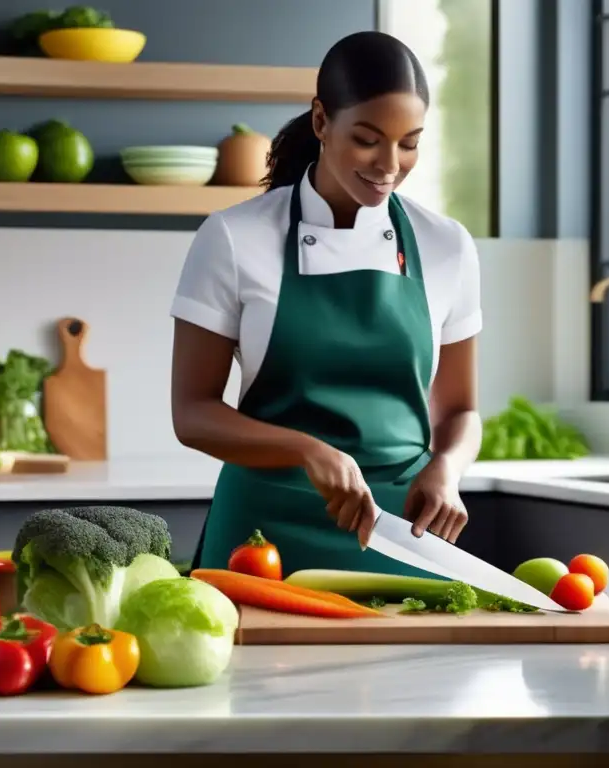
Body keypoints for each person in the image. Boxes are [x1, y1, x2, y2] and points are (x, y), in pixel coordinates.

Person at [170, 31, 484, 575]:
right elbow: (193, 414)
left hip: (401, 532)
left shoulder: (446, 245)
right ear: (321, 122)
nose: (390, 163)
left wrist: (447, 468)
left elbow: (460, 410)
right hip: (263, 536)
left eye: (409, 142)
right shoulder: (234, 237)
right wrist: (309, 450)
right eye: (367, 139)